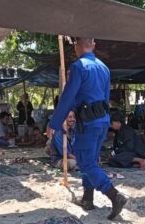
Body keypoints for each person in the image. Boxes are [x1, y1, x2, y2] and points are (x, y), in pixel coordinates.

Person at [46, 37, 127, 220]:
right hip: (102, 121)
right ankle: (88, 199)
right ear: (94, 45)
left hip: (88, 124)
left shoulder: (78, 67)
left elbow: (67, 97)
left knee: (85, 162)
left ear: (76, 46)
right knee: (91, 160)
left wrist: (54, 123)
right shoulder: (104, 68)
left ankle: (115, 196)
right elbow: (104, 99)